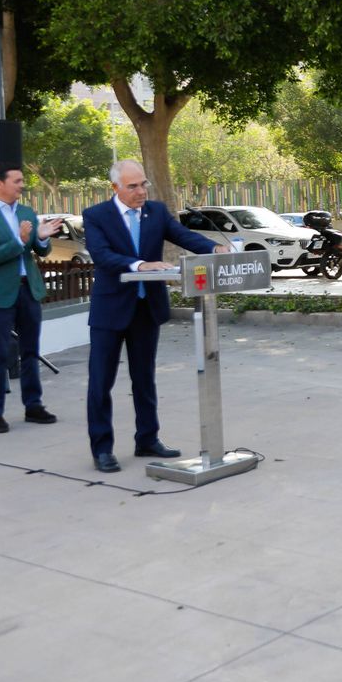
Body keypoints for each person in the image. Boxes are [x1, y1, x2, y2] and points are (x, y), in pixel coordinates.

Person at [82, 160, 227, 473]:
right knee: (100, 382)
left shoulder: (156, 212)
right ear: (116, 188)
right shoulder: (96, 216)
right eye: (133, 186)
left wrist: (214, 249)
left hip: (147, 309)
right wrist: (139, 265)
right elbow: (102, 255)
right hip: (110, 311)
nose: (141, 191)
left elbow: (183, 235)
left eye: (143, 184)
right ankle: (102, 448)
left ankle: (147, 438)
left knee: (144, 378)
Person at [0, 165, 63, 434]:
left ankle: (33, 405)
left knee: (30, 351)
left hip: (27, 290)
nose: (22, 185)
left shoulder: (26, 212)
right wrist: (20, 241)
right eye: (17, 181)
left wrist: (42, 239)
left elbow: (39, 250)